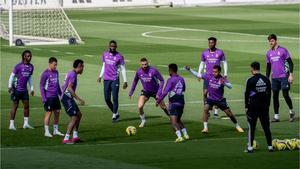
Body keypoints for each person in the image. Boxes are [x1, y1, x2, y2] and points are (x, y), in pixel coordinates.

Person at [185, 65, 244, 133]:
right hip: (210, 99)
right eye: (213, 71)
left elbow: (230, 86)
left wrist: (224, 83)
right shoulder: (209, 76)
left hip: (220, 100)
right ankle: (205, 128)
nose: (214, 73)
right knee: (206, 109)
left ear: (219, 72)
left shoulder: (222, 78)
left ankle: (237, 126)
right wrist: (190, 70)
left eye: (215, 72)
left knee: (229, 113)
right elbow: (198, 75)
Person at [129, 58, 169, 127]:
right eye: (143, 64)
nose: (144, 66)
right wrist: (131, 92)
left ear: (148, 63)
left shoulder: (153, 70)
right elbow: (135, 81)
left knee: (163, 107)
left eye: (145, 64)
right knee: (140, 106)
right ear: (140, 64)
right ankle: (143, 120)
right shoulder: (138, 72)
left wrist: (159, 93)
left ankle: (171, 117)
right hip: (146, 91)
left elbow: (162, 80)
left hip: (156, 91)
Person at [156, 63, 189, 143]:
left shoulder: (170, 80)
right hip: (181, 102)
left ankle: (180, 137)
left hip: (173, 103)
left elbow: (165, 92)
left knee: (173, 121)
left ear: (170, 70)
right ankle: (186, 135)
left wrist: (158, 101)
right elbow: (184, 89)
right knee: (178, 120)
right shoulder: (181, 79)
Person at [245, 61, 273, 153]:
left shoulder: (250, 80)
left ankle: (250, 148)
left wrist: (246, 106)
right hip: (264, 107)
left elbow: (247, 94)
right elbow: (269, 93)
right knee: (266, 127)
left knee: (251, 128)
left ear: (252, 68)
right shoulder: (266, 79)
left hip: (253, 107)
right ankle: (270, 147)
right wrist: (268, 105)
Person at [266, 34, 295, 122]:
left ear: (276, 41)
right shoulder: (268, 53)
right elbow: (268, 67)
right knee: (275, 97)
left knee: (285, 95)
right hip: (274, 78)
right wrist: (267, 78)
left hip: (284, 77)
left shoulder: (283, 50)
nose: (271, 43)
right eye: (269, 41)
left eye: (272, 41)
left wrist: (291, 75)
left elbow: (290, 63)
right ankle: (276, 116)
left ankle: (291, 111)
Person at [97, 40, 128, 123]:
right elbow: (104, 66)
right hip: (106, 79)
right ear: (109, 46)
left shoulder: (119, 56)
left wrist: (125, 81)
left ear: (116, 47)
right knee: (107, 99)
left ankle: (114, 115)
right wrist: (100, 76)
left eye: (114, 46)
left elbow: (123, 69)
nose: (113, 48)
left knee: (115, 98)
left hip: (115, 79)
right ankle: (116, 113)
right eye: (111, 46)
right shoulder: (105, 54)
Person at [198, 37, 228, 118]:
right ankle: (206, 109)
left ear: (215, 43)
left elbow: (224, 62)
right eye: (209, 42)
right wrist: (199, 74)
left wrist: (225, 73)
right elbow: (202, 63)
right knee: (205, 93)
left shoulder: (220, 52)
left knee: (217, 94)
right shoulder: (204, 53)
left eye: (212, 42)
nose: (210, 44)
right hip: (207, 76)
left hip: (217, 77)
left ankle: (216, 112)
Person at [8, 50, 35, 130]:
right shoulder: (18, 66)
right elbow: (12, 76)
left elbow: (29, 77)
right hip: (16, 89)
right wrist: (10, 86)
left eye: (30, 56)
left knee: (26, 106)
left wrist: (32, 88)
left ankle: (26, 124)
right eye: (28, 56)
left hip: (24, 90)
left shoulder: (31, 67)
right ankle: (11, 124)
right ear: (24, 56)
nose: (30, 57)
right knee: (15, 106)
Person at [61, 59, 85, 144]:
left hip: (68, 97)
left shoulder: (72, 73)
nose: (83, 69)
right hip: (66, 98)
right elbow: (69, 88)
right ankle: (66, 138)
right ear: (79, 66)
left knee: (79, 114)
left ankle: (75, 137)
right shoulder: (73, 75)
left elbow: (64, 85)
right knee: (74, 117)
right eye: (83, 67)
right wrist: (79, 99)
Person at [40, 57, 64, 137]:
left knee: (57, 112)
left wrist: (61, 94)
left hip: (55, 97)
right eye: (54, 65)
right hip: (49, 97)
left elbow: (57, 84)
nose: (55, 66)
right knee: (48, 114)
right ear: (49, 64)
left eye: (56, 65)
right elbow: (41, 86)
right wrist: (44, 98)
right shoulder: (45, 73)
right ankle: (46, 131)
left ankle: (55, 130)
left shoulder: (56, 72)